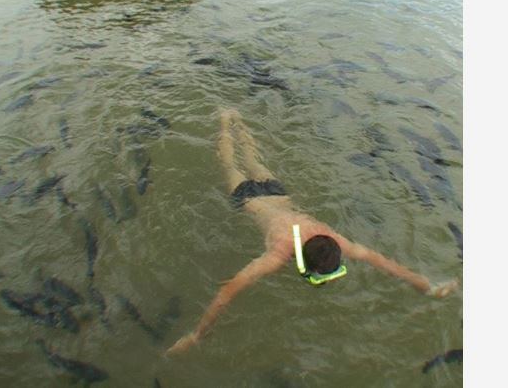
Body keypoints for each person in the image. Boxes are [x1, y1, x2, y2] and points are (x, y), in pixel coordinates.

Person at [166, 108, 458, 355]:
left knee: (251, 159)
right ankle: (227, 122)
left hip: (275, 195)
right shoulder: (278, 253)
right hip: (249, 198)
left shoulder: (333, 239)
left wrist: (425, 285)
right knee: (231, 162)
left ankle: (232, 118)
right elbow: (228, 290)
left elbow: (385, 263)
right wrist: (197, 334)